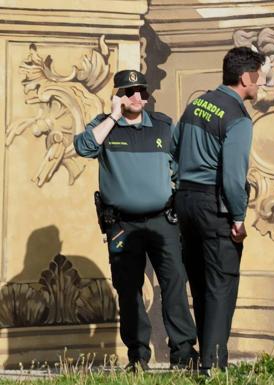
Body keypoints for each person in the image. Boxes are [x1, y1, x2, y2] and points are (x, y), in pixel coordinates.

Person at [74, 70, 198, 371]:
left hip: (162, 222)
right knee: (129, 291)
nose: (139, 97)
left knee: (174, 285)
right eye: (130, 92)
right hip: (122, 225)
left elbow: (180, 166)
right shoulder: (103, 126)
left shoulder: (163, 126)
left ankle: (183, 353)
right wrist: (114, 116)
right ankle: (138, 357)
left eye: (143, 91)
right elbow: (85, 147)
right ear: (117, 95)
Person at [173, 47, 266, 373]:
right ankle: (213, 367)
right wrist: (238, 217)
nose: (261, 83)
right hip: (214, 206)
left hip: (185, 201)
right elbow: (233, 176)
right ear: (245, 77)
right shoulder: (238, 117)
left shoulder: (195, 104)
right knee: (221, 285)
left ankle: (205, 360)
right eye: (260, 76)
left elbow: (172, 147)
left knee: (199, 284)